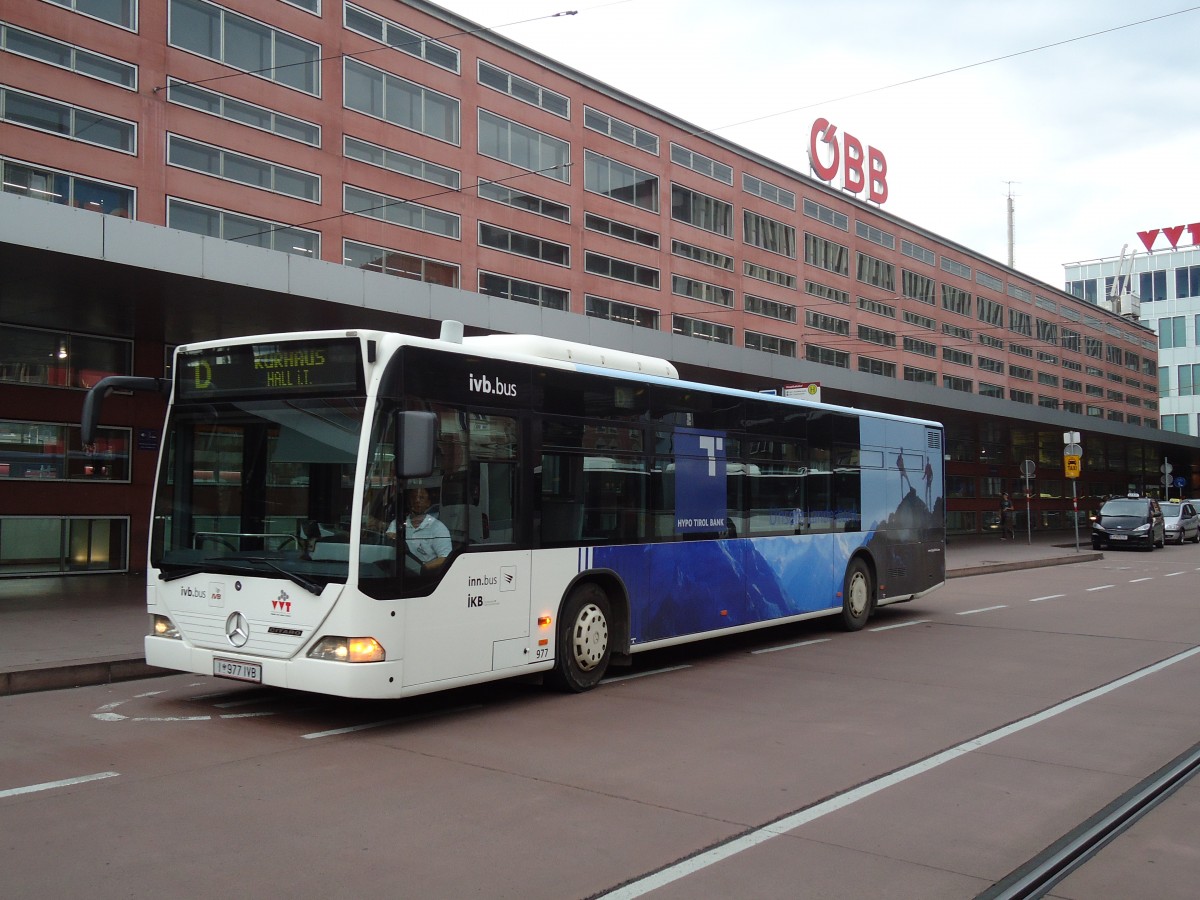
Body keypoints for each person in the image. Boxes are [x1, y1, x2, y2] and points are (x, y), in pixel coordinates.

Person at [387, 487, 452, 573]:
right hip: (398, 572)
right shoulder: (397, 524)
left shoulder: (438, 527)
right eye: (414, 497)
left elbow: (444, 558)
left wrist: (423, 569)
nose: (417, 501)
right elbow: (389, 539)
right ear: (409, 502)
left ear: (428, 503)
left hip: (424, 576)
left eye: (421, 497)